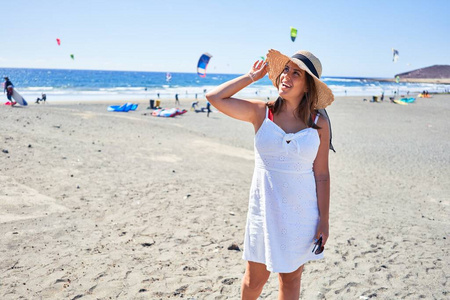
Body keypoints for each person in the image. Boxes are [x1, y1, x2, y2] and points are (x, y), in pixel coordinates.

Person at [206, 49, 333, 299]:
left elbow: (322, 175)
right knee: (254, 280)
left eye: (297, 73)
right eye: (286, 69)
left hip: (301, 214)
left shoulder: (319, 122)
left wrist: (324, 220)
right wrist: (251, 77)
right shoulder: (261, 112)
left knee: (291, 279)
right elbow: (215, 97)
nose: (287, 76)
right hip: (263, 211)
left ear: (308, 86)